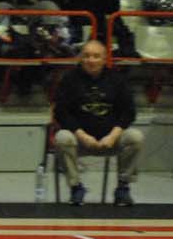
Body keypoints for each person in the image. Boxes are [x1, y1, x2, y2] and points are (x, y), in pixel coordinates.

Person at [53, 39, 141, 207]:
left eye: (95, 56)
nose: (91, 60)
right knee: (62, 137)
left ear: (104, 58)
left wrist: (113, 136)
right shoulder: (69, 80)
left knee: (135, 137)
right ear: (80, 58)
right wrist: (82, 135)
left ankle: (123, 187)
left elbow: (129, 112)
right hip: (79, 140)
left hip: (111, 140)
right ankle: (76, 187)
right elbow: (61, 113)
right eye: (86, 56)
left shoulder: (117, 80)